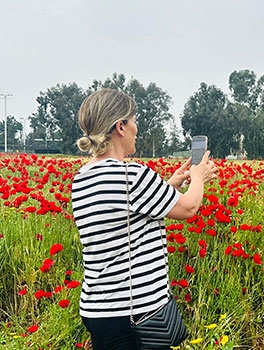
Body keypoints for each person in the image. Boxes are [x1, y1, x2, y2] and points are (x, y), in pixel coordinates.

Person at [71, 88, 218, 349]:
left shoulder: (83, 177)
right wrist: (199, 177)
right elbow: (188, 208)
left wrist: (170, 183)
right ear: (121, 127)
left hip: (98, 310)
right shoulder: (131, 175)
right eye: (134, 121)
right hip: (134, 315)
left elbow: (127, 212)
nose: (137, 128)